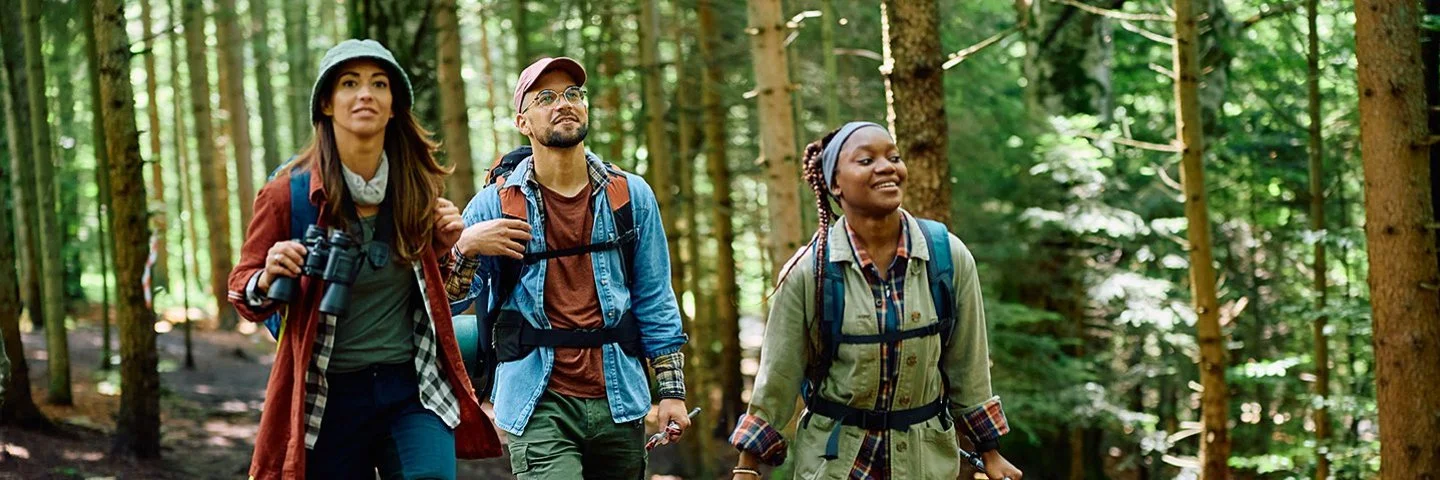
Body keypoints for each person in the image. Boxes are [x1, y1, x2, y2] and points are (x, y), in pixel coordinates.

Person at [227, 39, 501, 480]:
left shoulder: (418, 189)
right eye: (349, 83)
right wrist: (266, 276)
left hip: (412, 387)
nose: (365, 94)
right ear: (327, 105)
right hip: (327, 393)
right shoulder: (288, 195)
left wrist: (447, 248)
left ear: (394, 106)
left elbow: (440, 297)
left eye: (379, 84)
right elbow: (243, 288)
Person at [727, 122, 1024, 480]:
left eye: (893, 157)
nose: (886, 167)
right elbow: (777, 379)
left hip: (924, 464)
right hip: (835, 465)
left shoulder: (948, 258)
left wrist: (990, 452)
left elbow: (969, 367)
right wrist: (747, 468)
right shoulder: (809, 273)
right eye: (866, 160)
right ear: (835, 183)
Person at [447, 56, 690, 479]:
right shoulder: (493, 204)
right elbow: (444, 298)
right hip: (538, 402)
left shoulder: (629, 196)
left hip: (621, 399)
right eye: (546, 97)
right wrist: (466, 247)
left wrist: (671, 392)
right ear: (523, 121)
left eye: (573, 94)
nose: (564, 103)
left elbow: (655, 297)